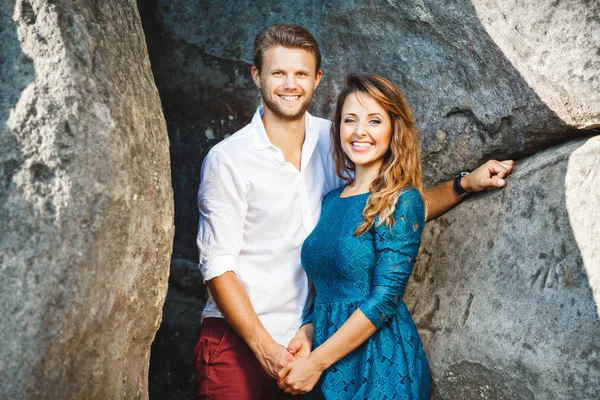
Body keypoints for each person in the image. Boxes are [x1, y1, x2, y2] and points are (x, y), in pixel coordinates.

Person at [194, 24, 513, 400]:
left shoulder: (336, 142)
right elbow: (217, 265)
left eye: (300, 73)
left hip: (317, 347)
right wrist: (268, 347)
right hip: (247, 337)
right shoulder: (230, 159)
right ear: (257, 76)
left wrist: (463, 185)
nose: (290, 84)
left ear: (317, 79)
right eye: (278, 72)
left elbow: (393, 207)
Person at [278, 73, 429, 399]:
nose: (360, 131)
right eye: (350, 120)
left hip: (380, 366)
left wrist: (316, 362)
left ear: (394, 129)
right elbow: (329, 289)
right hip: (325, 358)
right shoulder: (331, 200)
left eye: (374, 120)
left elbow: (385, 298)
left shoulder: (402, 200)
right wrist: (308, 330)